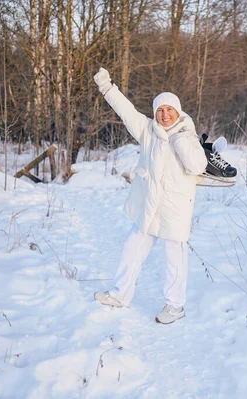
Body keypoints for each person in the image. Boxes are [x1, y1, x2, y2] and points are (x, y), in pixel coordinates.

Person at [92, 67, 208, 324]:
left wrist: (178, 140)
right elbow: (126, 111)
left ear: (178, 112)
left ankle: (175, 306)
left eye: (169, 110)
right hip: (150, 206)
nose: (165, 115)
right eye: (160, 110)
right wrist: (107, 87)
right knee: (132, 247)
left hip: (175, 207)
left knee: (174, 258)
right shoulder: (148, 132)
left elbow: (197, 166)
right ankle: (120, 294)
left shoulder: (187, 136)